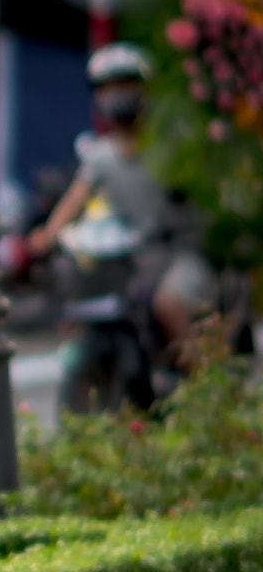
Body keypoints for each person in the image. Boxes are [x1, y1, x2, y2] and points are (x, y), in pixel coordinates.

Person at [27, 43, 221, 360]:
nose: (118, 95)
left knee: (167, 305)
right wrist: (47, 235)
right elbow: (77, 197)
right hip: (133, 260)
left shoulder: (169, 145)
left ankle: (204, 387)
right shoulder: (100, 156)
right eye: (109, 88)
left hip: (177, 254)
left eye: (126, 85)